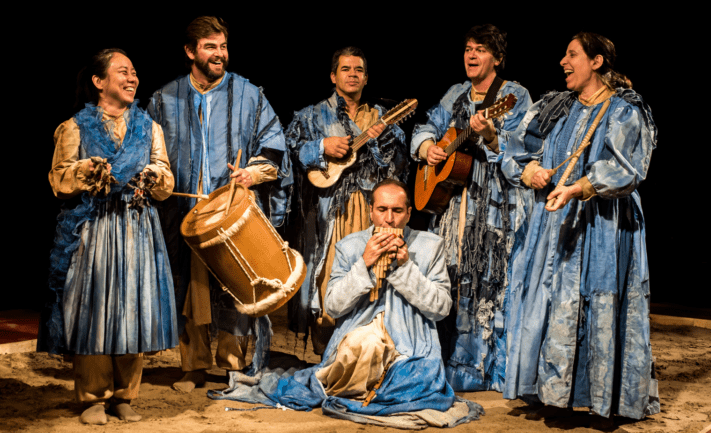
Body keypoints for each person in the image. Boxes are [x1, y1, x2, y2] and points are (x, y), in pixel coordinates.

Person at [209, 180, 483, 428]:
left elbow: (441, 308)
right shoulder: (350, 246)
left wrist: (403, 269)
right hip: (360, 330)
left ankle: (369, 382)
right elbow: (334, 306)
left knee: (414, 379)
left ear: (409, 213)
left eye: (397, 211)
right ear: (370, 211)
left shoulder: (430, 245)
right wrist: (364, 264)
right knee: (360, 347)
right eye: (382, 209)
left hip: (410, 338)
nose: (389, 220)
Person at [501, 32, 659, 422]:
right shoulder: (555, 106)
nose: (563, 62)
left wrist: (579, 188)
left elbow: (628, 167)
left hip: (603, 225)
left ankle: (599, 395)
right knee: (550, 298)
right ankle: (552, 391)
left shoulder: (624, 110)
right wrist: (531, 171)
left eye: (572, 55)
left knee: (594, 298)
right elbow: (514, 149)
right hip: (555, 224)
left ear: (597, 62)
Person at [146, 16, 292, 392]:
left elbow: (274, 147)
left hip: (231, 211)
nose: (220, 54)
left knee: (234, 284)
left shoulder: (249, 95)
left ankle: (232, 362)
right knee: (189, 288)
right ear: (190, 51)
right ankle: (192, 365)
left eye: (223, 46)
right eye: (211, 47)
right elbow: (149, 152)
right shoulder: (164, 99)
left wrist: (251, 174)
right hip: (184, 216)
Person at [40, 48, 177, 424]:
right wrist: (85, 168)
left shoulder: (150, 128)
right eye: (123, 72)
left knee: (133, 309)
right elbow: (58, 180)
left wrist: (153, 176)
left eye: (134, 72)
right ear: (99, 82)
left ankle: (124, 395)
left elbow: (166, 182)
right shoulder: (75, 127)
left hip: (136, 228)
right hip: (95, 229)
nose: (132, 78)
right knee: (94, 312)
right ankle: (92, 397)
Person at [410, 24, 532, 392]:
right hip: (452, 207)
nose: (471, 55)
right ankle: (449, 361)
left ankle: (489, 369)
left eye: (480, 49)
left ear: (497, 57)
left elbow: (524, 148)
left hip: (494, 205)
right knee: (451, 276)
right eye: (467, 49)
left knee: (489, 279)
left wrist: (492, 134)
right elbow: (424, 126)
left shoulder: (514, 95)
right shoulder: (456, 93)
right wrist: (427, 147)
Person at [285, 47, 408, 355]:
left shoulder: (381, 117)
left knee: (371, 272)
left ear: (366, 78)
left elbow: (398, 166)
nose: (352, 74)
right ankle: (327, 349)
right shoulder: (312, 115)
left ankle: (363, 348)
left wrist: (381, 141)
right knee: (327, 275)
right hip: (329, 210)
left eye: (358, 70)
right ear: (333, 76)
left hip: (370, 209)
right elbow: (289, 154)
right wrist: (321, 145)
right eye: (345, 69)